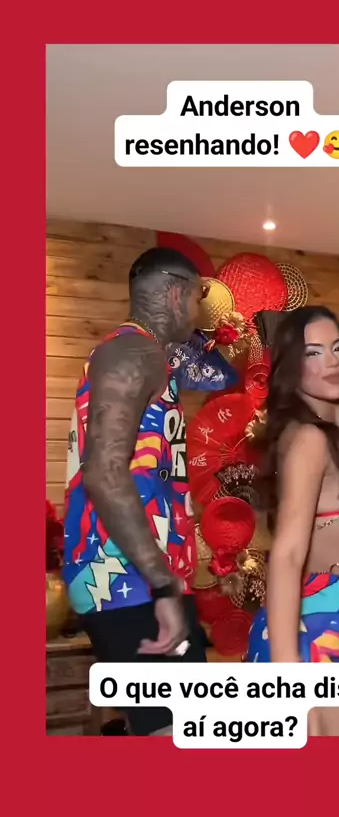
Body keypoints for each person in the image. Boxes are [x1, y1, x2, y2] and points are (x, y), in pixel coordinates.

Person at [62, 247, 208, 736]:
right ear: (176, 294)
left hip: (143, 580)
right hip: (128, 583)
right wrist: (162, 585)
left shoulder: (142, 356)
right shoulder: (132, 352)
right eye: (198, 297)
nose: (199, 312)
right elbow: (104, 473)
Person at [246, 305, 339, 736]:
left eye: (338, 347)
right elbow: (287, 555)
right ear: (291, 369)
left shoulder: (335, 437)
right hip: (312, 633)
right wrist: (289, 684)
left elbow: (333, 530)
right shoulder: (309, 438)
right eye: (312, 353)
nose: (331, 361)